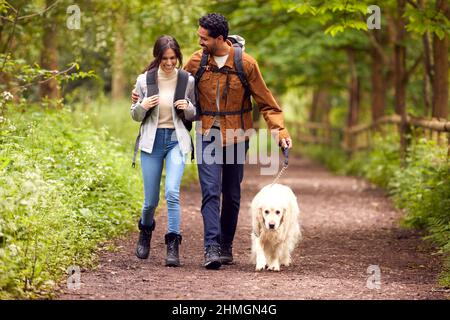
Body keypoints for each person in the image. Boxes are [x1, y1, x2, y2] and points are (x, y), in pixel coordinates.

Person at [132, 14, 292, 270]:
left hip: (237, 134)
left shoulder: (246, 64)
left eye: (204, 38)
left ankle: (226, 245)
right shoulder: (198, 61)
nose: (200, 41)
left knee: (231, 193)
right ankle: (212, 247)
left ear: (219, 39)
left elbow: (266, 101)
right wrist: (142, 92)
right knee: (210, 191)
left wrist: (280, 133)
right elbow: (173, 81)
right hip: (207, 133)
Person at [130, 35, 196, 267]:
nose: (169, 63)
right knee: (150, 202)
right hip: (152, 142)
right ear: (157, 57)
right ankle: (145, 231)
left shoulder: (186, 80)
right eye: (164, 58)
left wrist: (188, 108)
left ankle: (172, 243)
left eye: (173, 58)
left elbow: (194, 113)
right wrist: (142, 106)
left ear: (178, 56)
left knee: (172, 192)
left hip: (176, 141)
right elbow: (134, 115)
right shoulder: (144, 80)